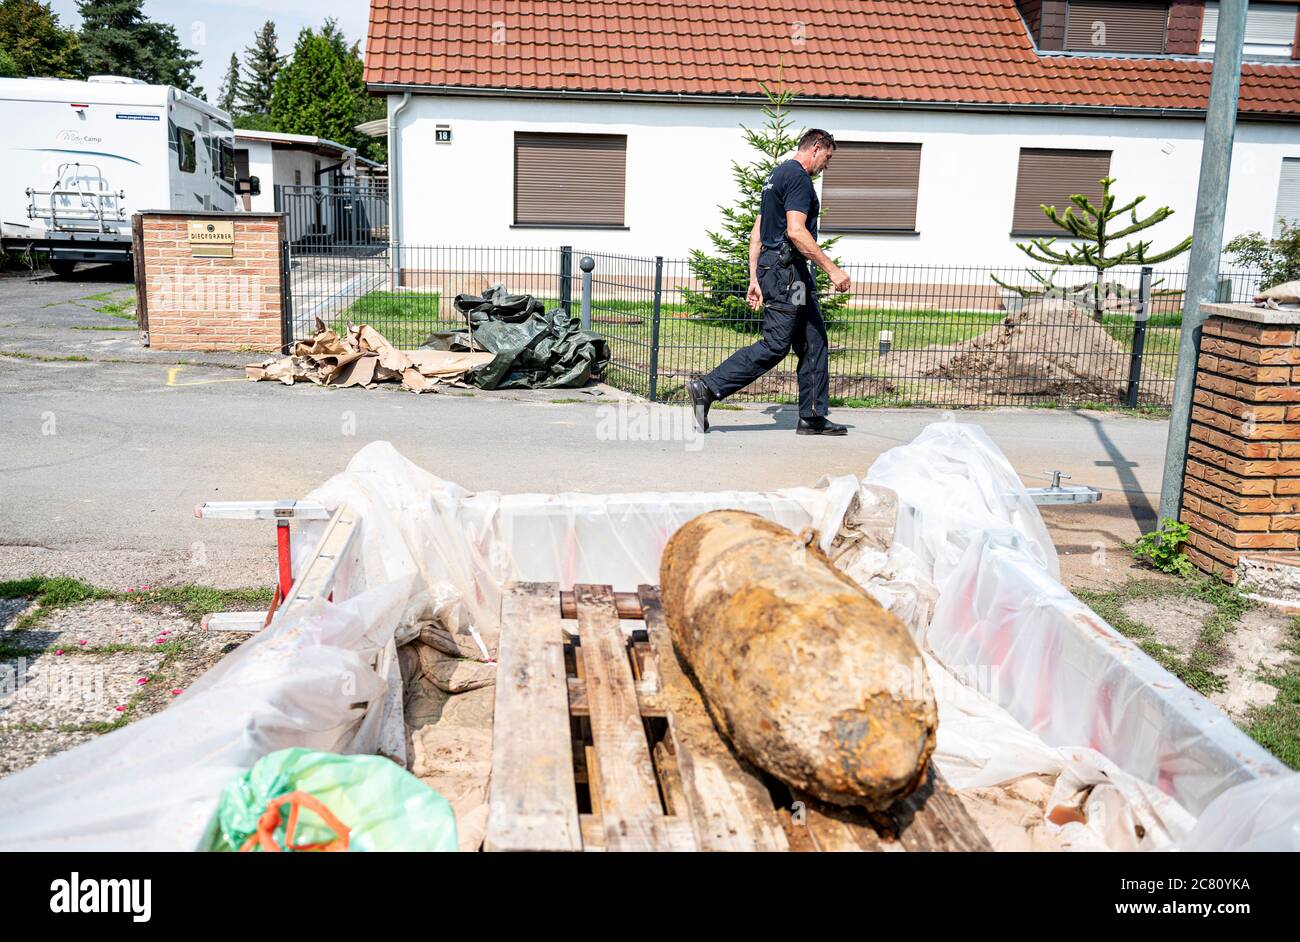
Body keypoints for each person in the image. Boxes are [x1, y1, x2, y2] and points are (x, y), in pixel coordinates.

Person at [688, 129, 852, 435]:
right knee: (777, 344)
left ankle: (812, 416)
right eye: (827, 158)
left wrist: (754, 277)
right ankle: (708, 388)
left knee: (814, 339)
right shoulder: (799, 179)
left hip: (779, 270)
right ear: (816, 148)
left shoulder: (776, 175)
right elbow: (796, 231)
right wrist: (832, 269)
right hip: (789, 273)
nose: (826, 166)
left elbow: (757, 232)